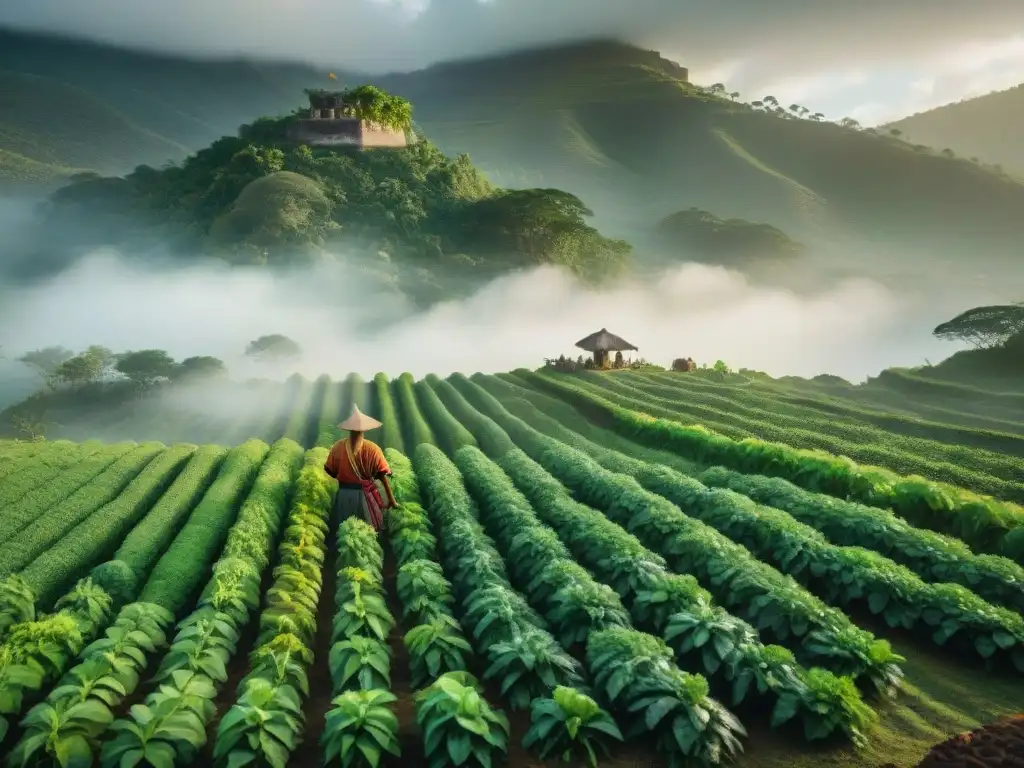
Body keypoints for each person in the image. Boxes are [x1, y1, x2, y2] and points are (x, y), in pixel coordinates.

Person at [323, 405, 398, 532]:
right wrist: (391, 499)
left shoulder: (338, 447)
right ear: (364, 430)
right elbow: (381, 474)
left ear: (349, 429)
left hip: (344, 495)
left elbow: (330, 470)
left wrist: (346, 477)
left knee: (345, 530)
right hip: (365, 497)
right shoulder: (373, 449)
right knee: (367, 531)